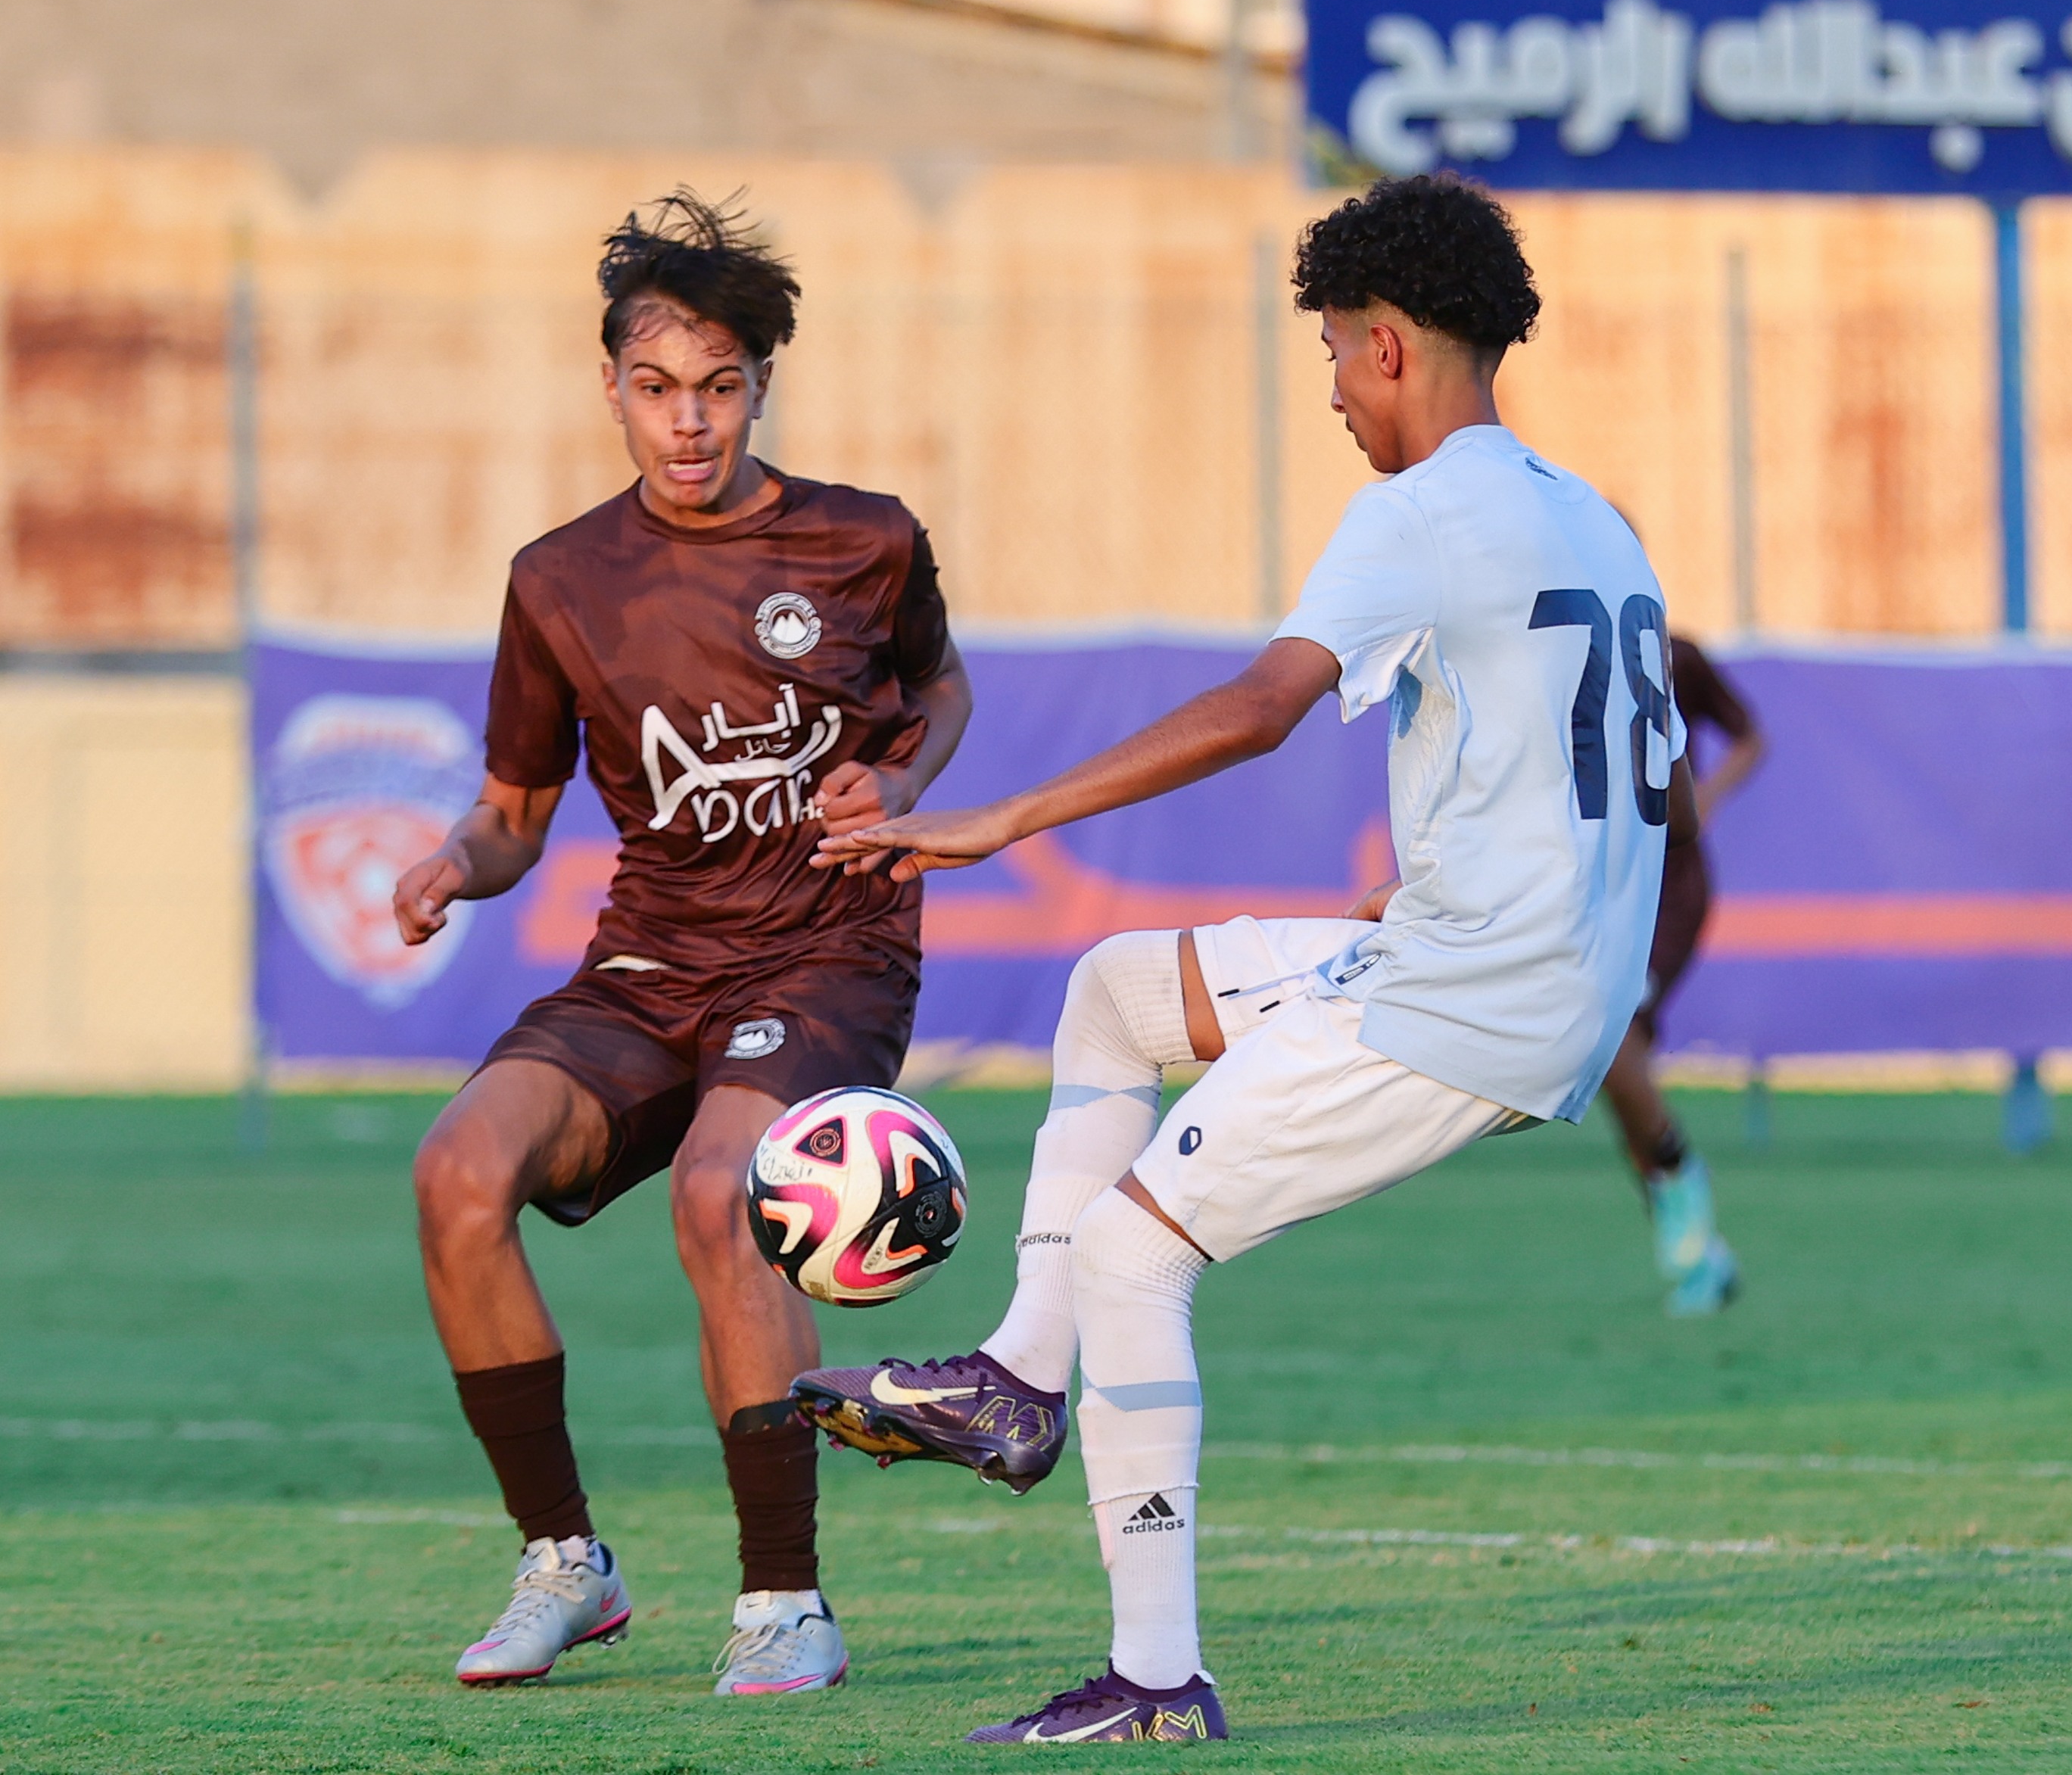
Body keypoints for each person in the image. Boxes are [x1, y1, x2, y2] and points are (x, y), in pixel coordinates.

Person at [793, 173, 1697, 1744]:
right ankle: (1016, 1376)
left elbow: (1261, 704)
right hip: (1515, 969)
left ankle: (1156, 1680)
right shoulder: (1592, 516)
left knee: (1137, 1257)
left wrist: (996, 818)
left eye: (1341, 354)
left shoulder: (1419, 512)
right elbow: (1612, 780)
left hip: (1467, 999)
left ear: (1396, 342)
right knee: (1122, 992)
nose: (1338, 392)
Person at [394, 191, 971, 1694]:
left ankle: (786, 1605)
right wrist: (458, 862)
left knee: (724, 1195)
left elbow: (941, 695)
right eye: (657, 389)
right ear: (613, 391)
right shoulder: (558, 581)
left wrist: (899, 783)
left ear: (760, 385)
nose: (688, 421)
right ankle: (565, 1567)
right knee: (458, 1173)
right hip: (652, 961)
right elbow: (515, 809)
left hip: (831, 953)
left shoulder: (864, 540)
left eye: (718, 387)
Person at [1597, 636, 1763, 1315]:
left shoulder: (1669, 654)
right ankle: (1695, 1240)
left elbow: (1750, 737)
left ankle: (1687, 1206)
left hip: (1669, 887)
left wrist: (1711, 793)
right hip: (1600, 884)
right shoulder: (1546, 647)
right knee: (1600, 1057)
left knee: (1611, 1043)